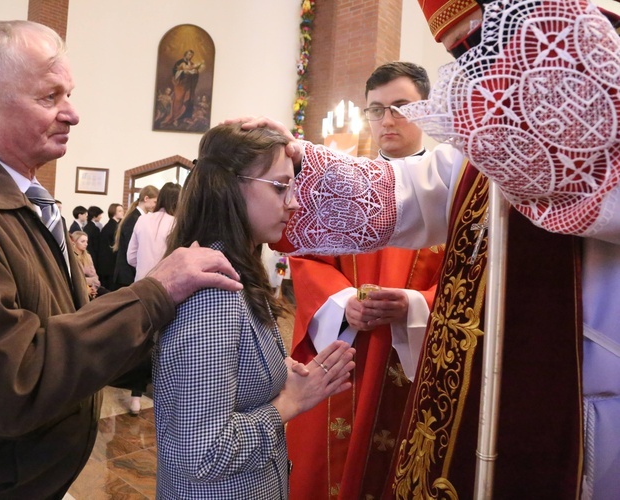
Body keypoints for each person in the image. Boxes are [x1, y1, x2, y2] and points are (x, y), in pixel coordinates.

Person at [237, 0, 620, 497]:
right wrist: (300, 162)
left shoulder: (590, 81)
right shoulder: (496, 130)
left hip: (596, 385)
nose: (479, 73)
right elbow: (418, 190)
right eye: (462, 54)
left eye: (479, 44)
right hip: (498, 381)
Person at [0, 20, 242, 498]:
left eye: (69, 94)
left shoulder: (21, 199)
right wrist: (153, 294)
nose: (73, 114)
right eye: (50, 97)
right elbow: (12, 383)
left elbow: (69, 328)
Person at [154, 123, 357, 499]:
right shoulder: (214, 293)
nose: (294, 202)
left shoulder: (238, 268)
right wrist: (290, 401)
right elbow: (203, 454)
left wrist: (281, 374)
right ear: (230, 188)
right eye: (280, 187)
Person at [285, 61, 445, 500]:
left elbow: (470, 275)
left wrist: (414, 305)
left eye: (401, 106)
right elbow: (307, 258)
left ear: (428, 110)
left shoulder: (452, 186)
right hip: (345, 350)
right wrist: (341, 301)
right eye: (376, 110)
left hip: (415, 357)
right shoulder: (338, 182)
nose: (387, 120)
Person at [118, 182, 182, 415]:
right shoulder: (178, 223)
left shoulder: (142, 220)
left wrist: (145, 268)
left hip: (142, 288)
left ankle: (135, 396)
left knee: (142, 342)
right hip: (168, 290)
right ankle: (164, 393)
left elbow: (130, 257)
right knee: (166, 341)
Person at [112, 184, 158, 289]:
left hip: (128, 274)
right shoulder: (135, 219)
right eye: (155, 202)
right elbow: (132, 250)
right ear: (146, 198)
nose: (156, 205)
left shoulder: (137, 217)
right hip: (126, 275)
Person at [163, 49, 203, 127]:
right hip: (180, 85)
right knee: (178, 100)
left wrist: (195, 73)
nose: (190, 56)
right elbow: (175, 73)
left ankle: (182, 118)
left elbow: (194, 74)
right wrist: (183, 72)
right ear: (185, 54)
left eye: (191, 55)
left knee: (187, 100)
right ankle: (174, 117)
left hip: (188, 86)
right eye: (189, 54)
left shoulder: (191, 64)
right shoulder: (179, 62)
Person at [70, 230, 103, 298]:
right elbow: (76, 279)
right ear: (74, 242)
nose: (86, 244)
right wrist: (89, 282)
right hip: (79, 289)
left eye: (86, 241)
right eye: (82, 241)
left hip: (93, 287)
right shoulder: (72, 258)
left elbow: (95, 276)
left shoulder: (88, 256)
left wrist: (93, 288)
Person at [96, 202, 123, 287]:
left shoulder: (114, 225)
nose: (122, 212)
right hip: (109, 266)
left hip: (108, 265)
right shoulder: (112, 227)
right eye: (119, 211)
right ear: (113, 212)